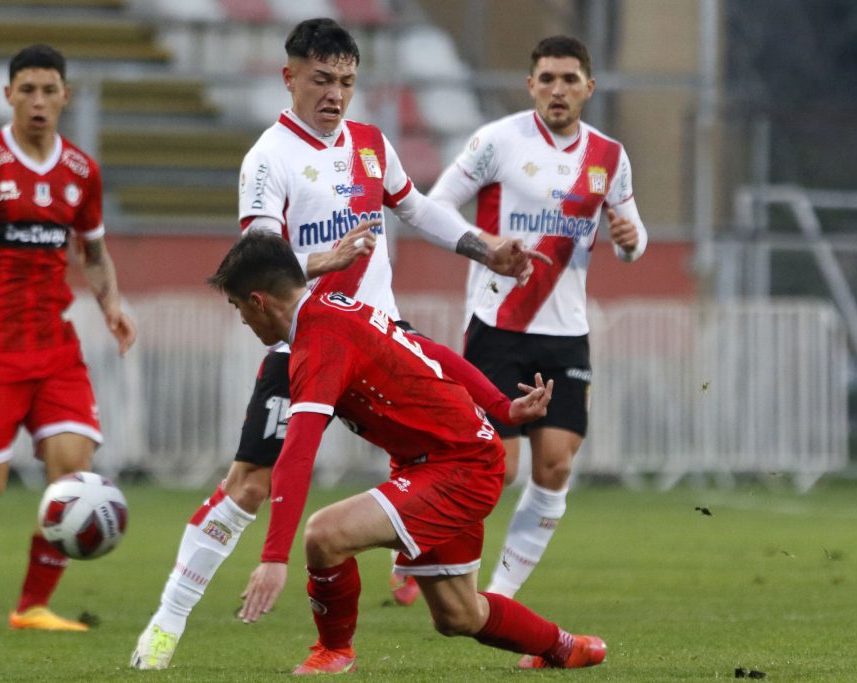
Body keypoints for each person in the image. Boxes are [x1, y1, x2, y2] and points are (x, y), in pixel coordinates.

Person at [131, 17, 547, 669]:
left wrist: (485, 249)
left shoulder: (372, 144)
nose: (335, 94)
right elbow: (257, 259)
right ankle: (167, 621)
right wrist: (320, 260)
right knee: (248, 484)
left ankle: (417, 555)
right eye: (322, 80)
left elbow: (416, 207)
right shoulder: (269, 158)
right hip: (307, 345)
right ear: (289, 76)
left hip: (378, 334)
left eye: (347, 82)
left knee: (438, 447)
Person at [221, 230, 606, 674]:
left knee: (323, 535)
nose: (243, 321)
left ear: (257, 301)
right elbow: (431, 349)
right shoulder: (335, 308)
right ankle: (563, 647)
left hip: (459, 468)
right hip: (448, 460)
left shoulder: (319, 340)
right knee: (459, 616)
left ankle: (334, 651)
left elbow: (298, 453)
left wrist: (273, 559)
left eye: (237, 309)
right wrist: (500, 406)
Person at [0, 44, 137, 631]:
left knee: (73, 473)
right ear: (8, 94)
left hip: (55, 349)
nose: (38, 101)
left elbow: (93, 250)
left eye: (49, 90)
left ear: (66, 95)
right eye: (27, 90)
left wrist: (112, 304)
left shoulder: (82, 171)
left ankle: (32, 606)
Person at [428, 35, 648, 599]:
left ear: (588, 88)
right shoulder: (497, 141)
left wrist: (629, 240)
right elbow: (433, 204)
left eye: (569, 79)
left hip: (566, 335)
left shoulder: (609, 156)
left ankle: (498, 596)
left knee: (553, 468)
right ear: (531, 85)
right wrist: (484, 245)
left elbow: (632, 240)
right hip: (498, 326)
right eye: (547, 78)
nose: (557, 89)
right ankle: (424, 552)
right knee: (493, 471)